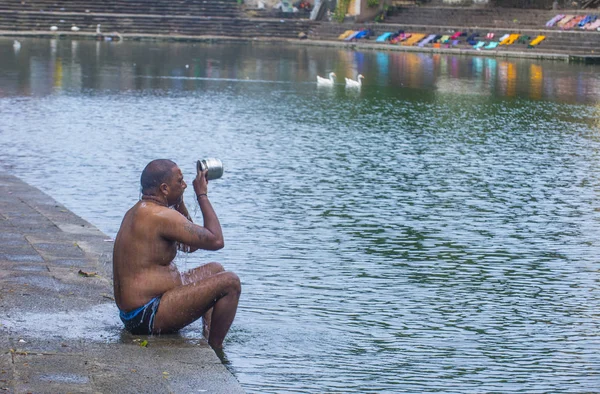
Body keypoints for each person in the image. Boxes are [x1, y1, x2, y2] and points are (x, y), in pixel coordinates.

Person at [112, 159, 241, 349]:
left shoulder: (141, 211)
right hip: (147, 315)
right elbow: (216, 240)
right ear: (164, 189)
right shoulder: (161, 216)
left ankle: (207, 334)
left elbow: (190, 246)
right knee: (230, 282)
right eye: (179, 182)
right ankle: (215, 349)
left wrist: (178, 200)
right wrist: (202, 195)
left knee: (216, 270)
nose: (185, 185)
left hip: (137, 313)